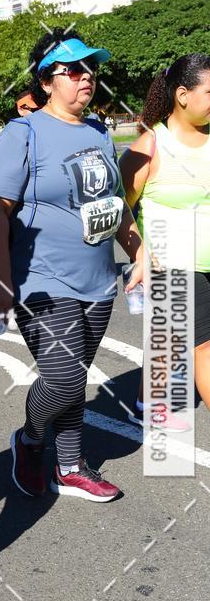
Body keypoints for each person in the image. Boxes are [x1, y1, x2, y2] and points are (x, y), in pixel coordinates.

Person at [0, 30, 145, 502]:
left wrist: (139, 251)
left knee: (73, 378)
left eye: (90, 68)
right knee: (67, 376)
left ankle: (70, 465)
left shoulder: (98, 130)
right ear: (46, 81)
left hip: (98, 278)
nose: (85, 77)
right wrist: (1, 278)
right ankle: (31, 440)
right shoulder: (23, 134)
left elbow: (112, 200)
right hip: (41, 279)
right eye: (72, 70)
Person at [120, 53, 210, 413]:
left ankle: (146, 395)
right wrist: (140, 255)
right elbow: (119, 205)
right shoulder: (149, 146)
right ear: (183, 95)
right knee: (203, 347)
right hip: (173, 262)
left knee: (170, 339)